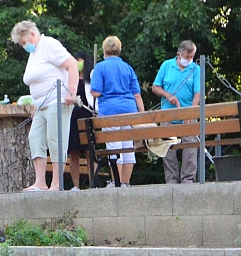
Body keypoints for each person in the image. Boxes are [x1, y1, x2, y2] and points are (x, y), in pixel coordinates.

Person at [11, 19, 78, 191]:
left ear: (32, 34)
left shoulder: (49, 44)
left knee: (55, 139)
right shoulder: (34, 54)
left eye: (24, 42)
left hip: (57, 100)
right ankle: (40, 182)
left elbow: (72, 64)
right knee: (35, 138)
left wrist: (71, 91)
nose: (24, 46)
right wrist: (35, 104)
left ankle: (57, 183)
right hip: (41, 106)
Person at [90, 36, 145, 186]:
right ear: (119, 50)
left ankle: (116, 183)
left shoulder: (100, 67)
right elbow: (137, 95)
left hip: (110, 112)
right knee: (127, 146)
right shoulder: (127, 67)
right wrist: (142, 116)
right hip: (129, 111)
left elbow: (95, 92)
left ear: (104, 50)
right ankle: (125, 183)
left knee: (114, 146)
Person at [151, 40, 201, 184]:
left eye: (192, 57)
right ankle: (171, 180)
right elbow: (155, 87)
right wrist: (168, 95)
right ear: (179, 54)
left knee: (191, 146)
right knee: (168, 147)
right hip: (168, 113)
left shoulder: (196, 69)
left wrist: (191, 112)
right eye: (187, 56)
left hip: (188, 112)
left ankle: (188, 179)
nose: (189, 59)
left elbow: (198, 93)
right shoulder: (166, 65)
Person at [63, 54, 97, 189]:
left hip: (88, 115)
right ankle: (75, 186)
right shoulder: (69, 78)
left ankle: (93, 184)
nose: (78, 63)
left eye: (80, 60)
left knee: (90, 152)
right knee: (73, 152)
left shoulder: (92, 78)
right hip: (72, 116)